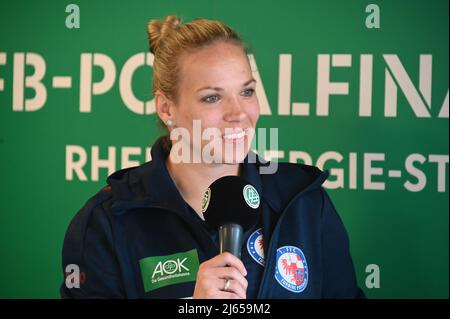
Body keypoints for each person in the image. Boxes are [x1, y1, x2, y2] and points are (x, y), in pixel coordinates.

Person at [60, 15, 365, 299]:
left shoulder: (304, 204)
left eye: (246, 92)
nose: (239, 114)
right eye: (212, 97)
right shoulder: (108, 222)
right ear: (167, 109)